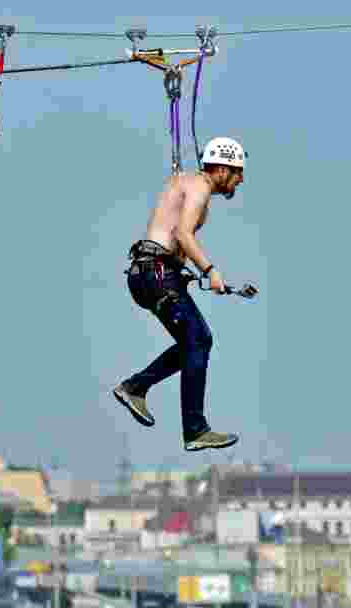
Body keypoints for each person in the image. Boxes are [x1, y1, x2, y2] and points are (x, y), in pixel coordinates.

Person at [113, 136, 246, 452]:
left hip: (151, 272)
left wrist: (181, 270)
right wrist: (210, 270)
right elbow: (182, 233)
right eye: (238, 172)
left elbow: (170, 232)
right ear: (222, 168)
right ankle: (194, 428)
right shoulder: (199, 186)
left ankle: (136, 387)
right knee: (199, 340)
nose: (240, 180)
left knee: (195, 341)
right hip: (154, 272)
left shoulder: (187, 183)